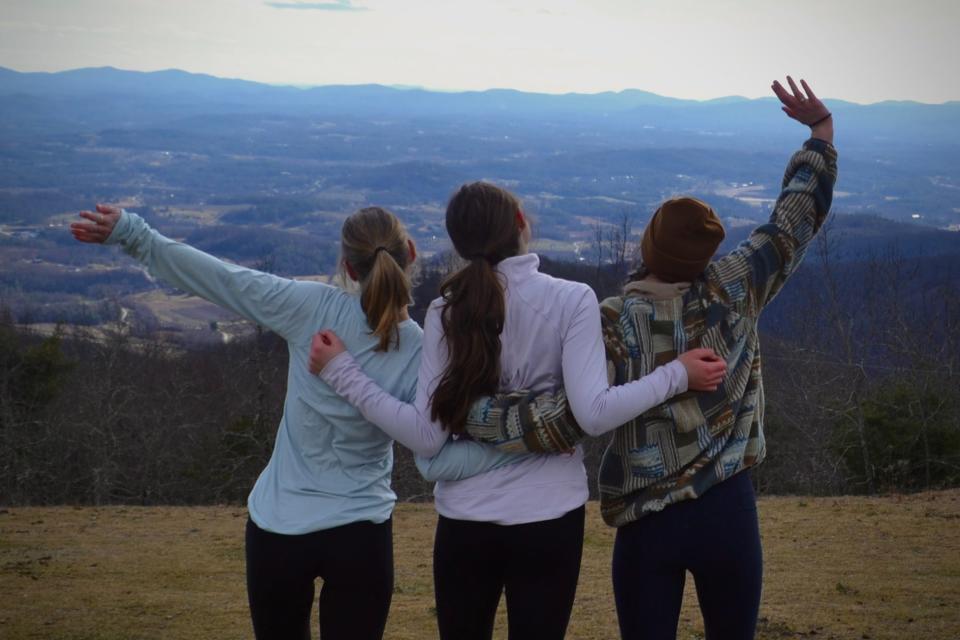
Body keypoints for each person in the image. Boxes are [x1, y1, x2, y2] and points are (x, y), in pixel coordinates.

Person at [452, 76, 839, 640]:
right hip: (729, 510)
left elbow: (564, 420)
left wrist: (474, 413)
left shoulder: (611, 321)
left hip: (645, 519)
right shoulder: (734, 289)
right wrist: (820, 135)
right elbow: (791, 223)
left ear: (647, 248)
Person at [308, 185, 727, 639]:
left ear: (460, 243)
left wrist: (343, 373)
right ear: (521, 223)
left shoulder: (446, 310)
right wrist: (676, 375)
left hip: (465, 521)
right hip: (549, 519)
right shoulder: (571, 299)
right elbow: (594, 414)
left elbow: (426, 437)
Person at [71, 204, 425, 640]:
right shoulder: (420, 349)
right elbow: (427, 434)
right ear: (409, 251)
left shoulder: (311, 307)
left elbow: (223, 279)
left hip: (279, 528)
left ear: (348, 268)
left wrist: (134, 235)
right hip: (362, 533)